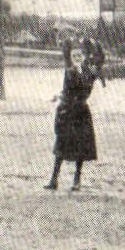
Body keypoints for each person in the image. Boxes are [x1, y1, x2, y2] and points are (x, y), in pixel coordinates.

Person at [45, 37, 105, 191]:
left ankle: (76, 180)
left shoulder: (89, 73)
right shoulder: (69, 71)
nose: (77, 58)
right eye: (74, 56)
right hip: (67, 111)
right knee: (61, 145)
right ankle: (54, 179)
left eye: (79, 55)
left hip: (80, 112)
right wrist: (59, 96)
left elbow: (85, 89)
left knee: (80, 147)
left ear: (84, 57)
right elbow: (67, 89)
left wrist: (94, 45)